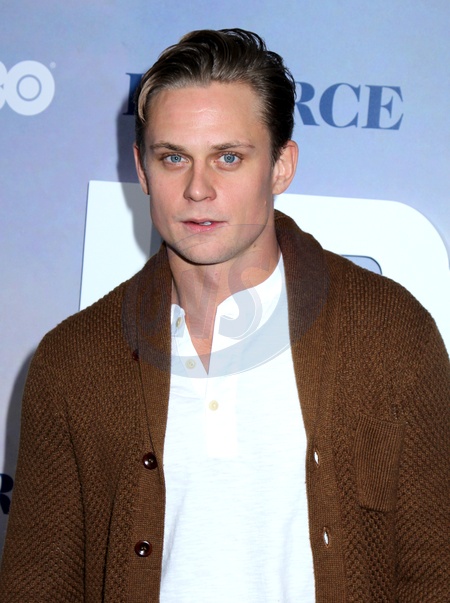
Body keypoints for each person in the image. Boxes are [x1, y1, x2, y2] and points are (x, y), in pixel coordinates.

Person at [0, 28, 449, 603]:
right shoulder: (72, 361)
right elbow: (39, 584)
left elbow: (435, 569)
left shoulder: (390, 331)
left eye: (228, 157)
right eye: (173, 158)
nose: (198, 189)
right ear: (142, 170)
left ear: (281, 166)